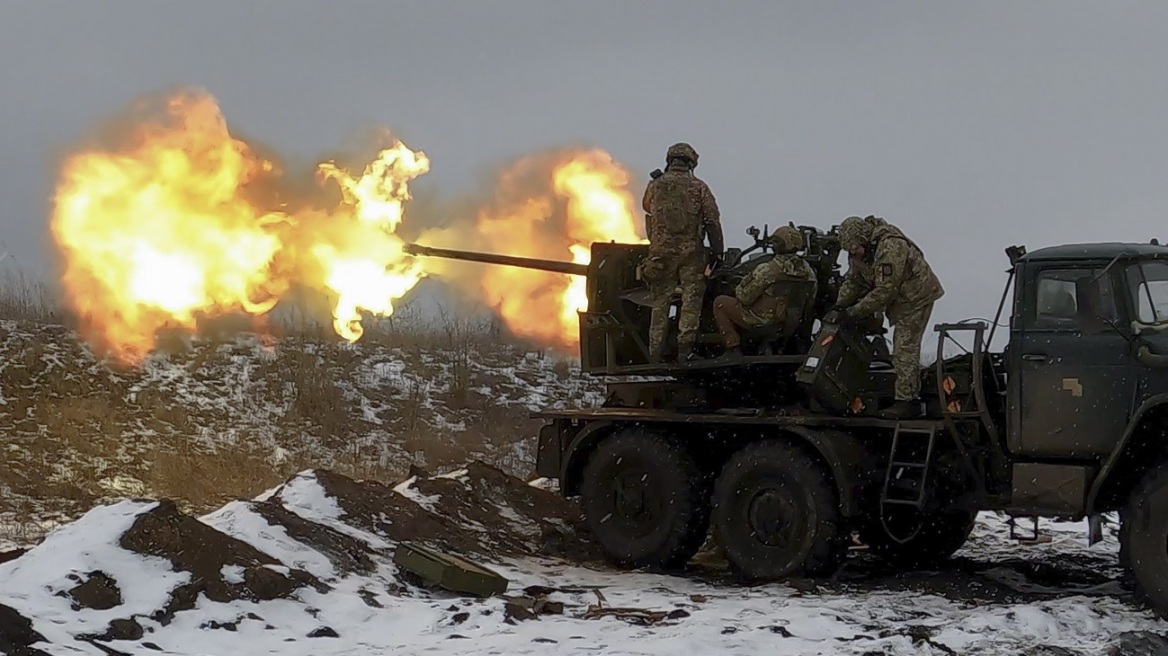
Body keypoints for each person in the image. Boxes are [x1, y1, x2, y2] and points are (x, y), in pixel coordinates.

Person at [834, 215, 944, 418]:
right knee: (900, 348)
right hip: (899, 300)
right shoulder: (859, 252)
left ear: (864, 240)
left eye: (854, 247)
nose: (852, 253)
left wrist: (854, 311)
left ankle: (907, 401)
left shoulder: (891, 247)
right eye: (848, 249)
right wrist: (839, 305)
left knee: (904, 347)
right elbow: (853, 280)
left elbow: (885, 290)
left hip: (916, 297)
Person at [640, 142, 724, 362]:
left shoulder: (655, 185)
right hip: (690, 254)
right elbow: (712, 220)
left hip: (660, 253)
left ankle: (654, 353)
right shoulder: (699, 187)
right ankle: (685, 351)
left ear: (670, 161)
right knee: (691, 300)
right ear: (691, 163)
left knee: (660, 303)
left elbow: (647, 206)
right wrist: (718, 252)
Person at [711, 226, 817, 357]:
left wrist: (739, 286)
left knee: (719, 302)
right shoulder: (809, 272)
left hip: (762, 320)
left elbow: (744, 297)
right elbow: (810, 301)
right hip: (790, 323)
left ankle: (733, 348)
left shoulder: (768, 270)